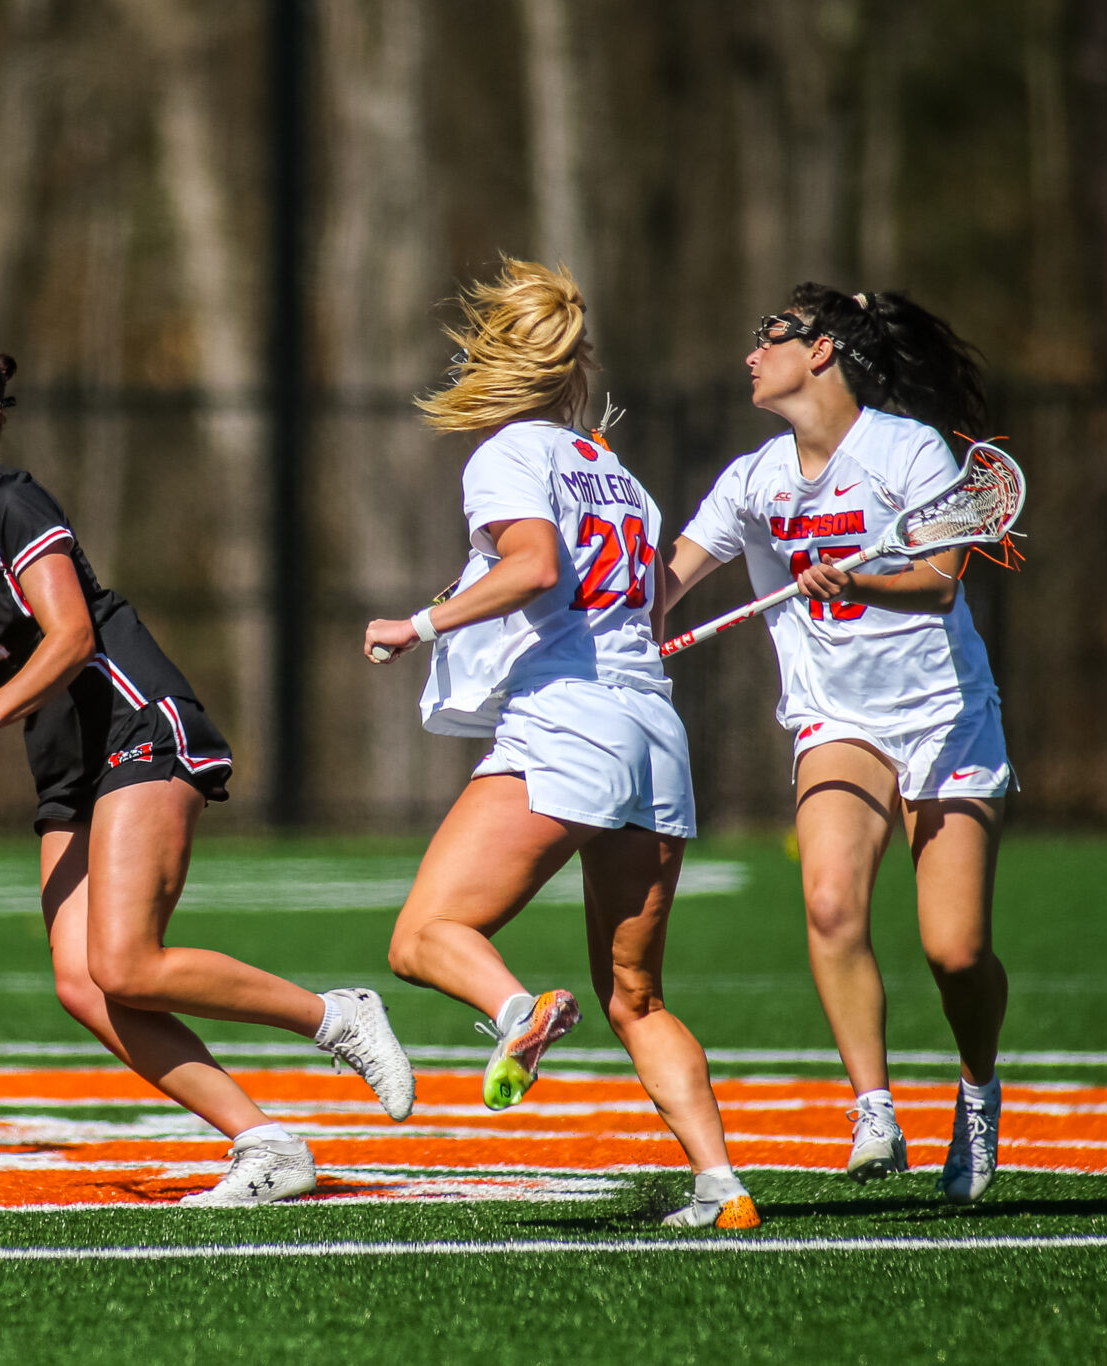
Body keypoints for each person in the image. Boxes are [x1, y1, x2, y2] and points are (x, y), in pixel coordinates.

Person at [0, 349, 415, 1206]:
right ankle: (267, 1143)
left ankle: (337, 1017)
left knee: (129, 964)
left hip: (136, 724)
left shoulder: (12, 502)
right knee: (83, 982)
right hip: (68, 759)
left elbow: (70, 637)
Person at [365, 259, 759, 1229]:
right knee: (636, 998)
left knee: (422, 938)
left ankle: (513, 1014)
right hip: (648, 732)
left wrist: (418, 624)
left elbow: (532, 565)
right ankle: (723, 1188)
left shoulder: (510, 455)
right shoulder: (610, 468)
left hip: (569, 721)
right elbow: (639, 594)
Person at [665, 285, 1009, 1204]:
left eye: (765, 338)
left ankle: (977, 1090)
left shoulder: (905, 449)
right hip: (837, 718)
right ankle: (875, 1109)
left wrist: (858, 576)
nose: (750, 356)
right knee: (827, 905)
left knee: (956, 950)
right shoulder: (754, 479)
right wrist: (621, 632)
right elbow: (669, 577)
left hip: (944, 715)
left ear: (820, 351)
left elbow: (939, 581)